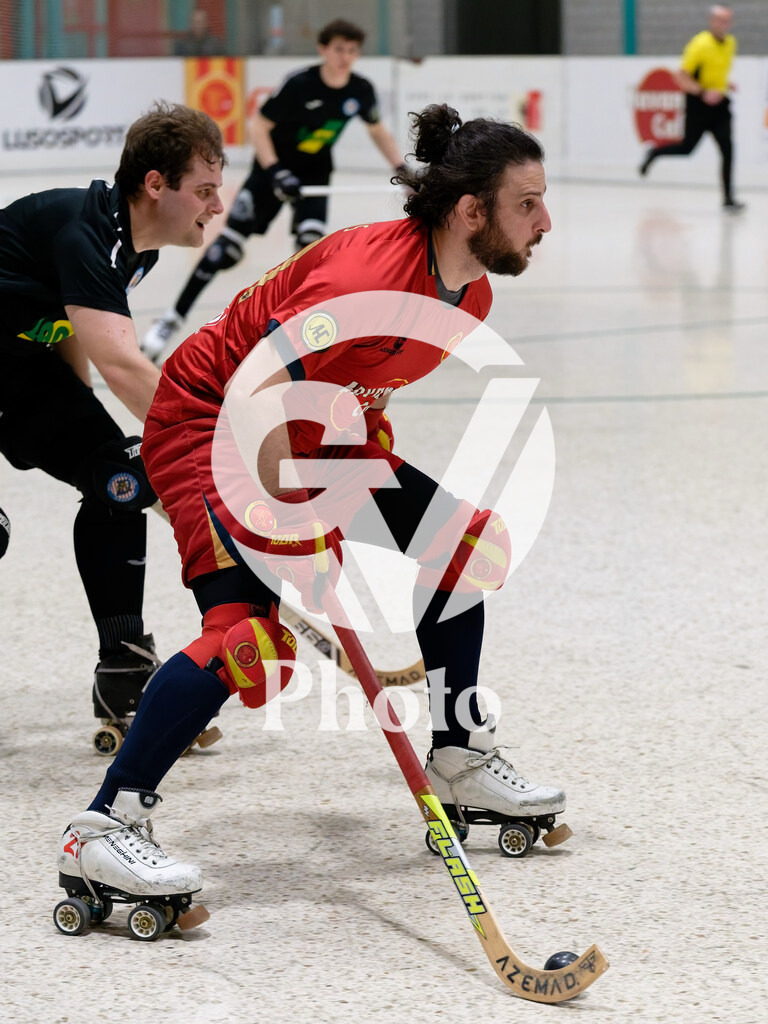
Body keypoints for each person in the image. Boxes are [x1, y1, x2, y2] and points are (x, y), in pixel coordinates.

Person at [56, 103, 567, 925]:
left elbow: (347, 388)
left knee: (462, 548)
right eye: (528, 204)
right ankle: (104, 826)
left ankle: (460, 757)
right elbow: (256, 398)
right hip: (208, 422)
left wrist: (359, 448)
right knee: (247, 644)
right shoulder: (361, 280)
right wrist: (296, 529)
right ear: (472, 212)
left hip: (299, 435)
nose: (546, 222)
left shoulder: (467, 296)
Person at [0, 102, 226, 752]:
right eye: (204, 190)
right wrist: (213, 455)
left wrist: (88, 427)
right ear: (156, 184)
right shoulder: (86, 229)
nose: (216, 206)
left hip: (20, 371)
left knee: (121, 474)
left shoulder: (134, 249)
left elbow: (78, 329)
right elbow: (126, 362)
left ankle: (124, 676)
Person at [143, 18, 407, 363]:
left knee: (310, 255)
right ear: (323, 50)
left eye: (352, 50)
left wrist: (402, 172)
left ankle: (289, 340)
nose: (345, 57)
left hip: (314, 175)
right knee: (222, 253)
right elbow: (260, 126)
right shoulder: (300, 85)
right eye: (339, 49)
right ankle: (169, 321)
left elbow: (377, 131)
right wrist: (276, 172)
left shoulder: (360, 90)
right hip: (271, 172)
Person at [639, 5, 744, 211]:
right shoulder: (700, 44)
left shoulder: (731, 44)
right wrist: (703, 92)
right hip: (699, 106)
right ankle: (654, 153)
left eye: (727, 20)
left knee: (728, 150)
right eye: (720, 20)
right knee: (687, 148)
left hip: (720, 107)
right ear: (712, 21)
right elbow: (681, 76)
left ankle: (728, 198)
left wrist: (725, 85)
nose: (724, 24)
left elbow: (717, 73)